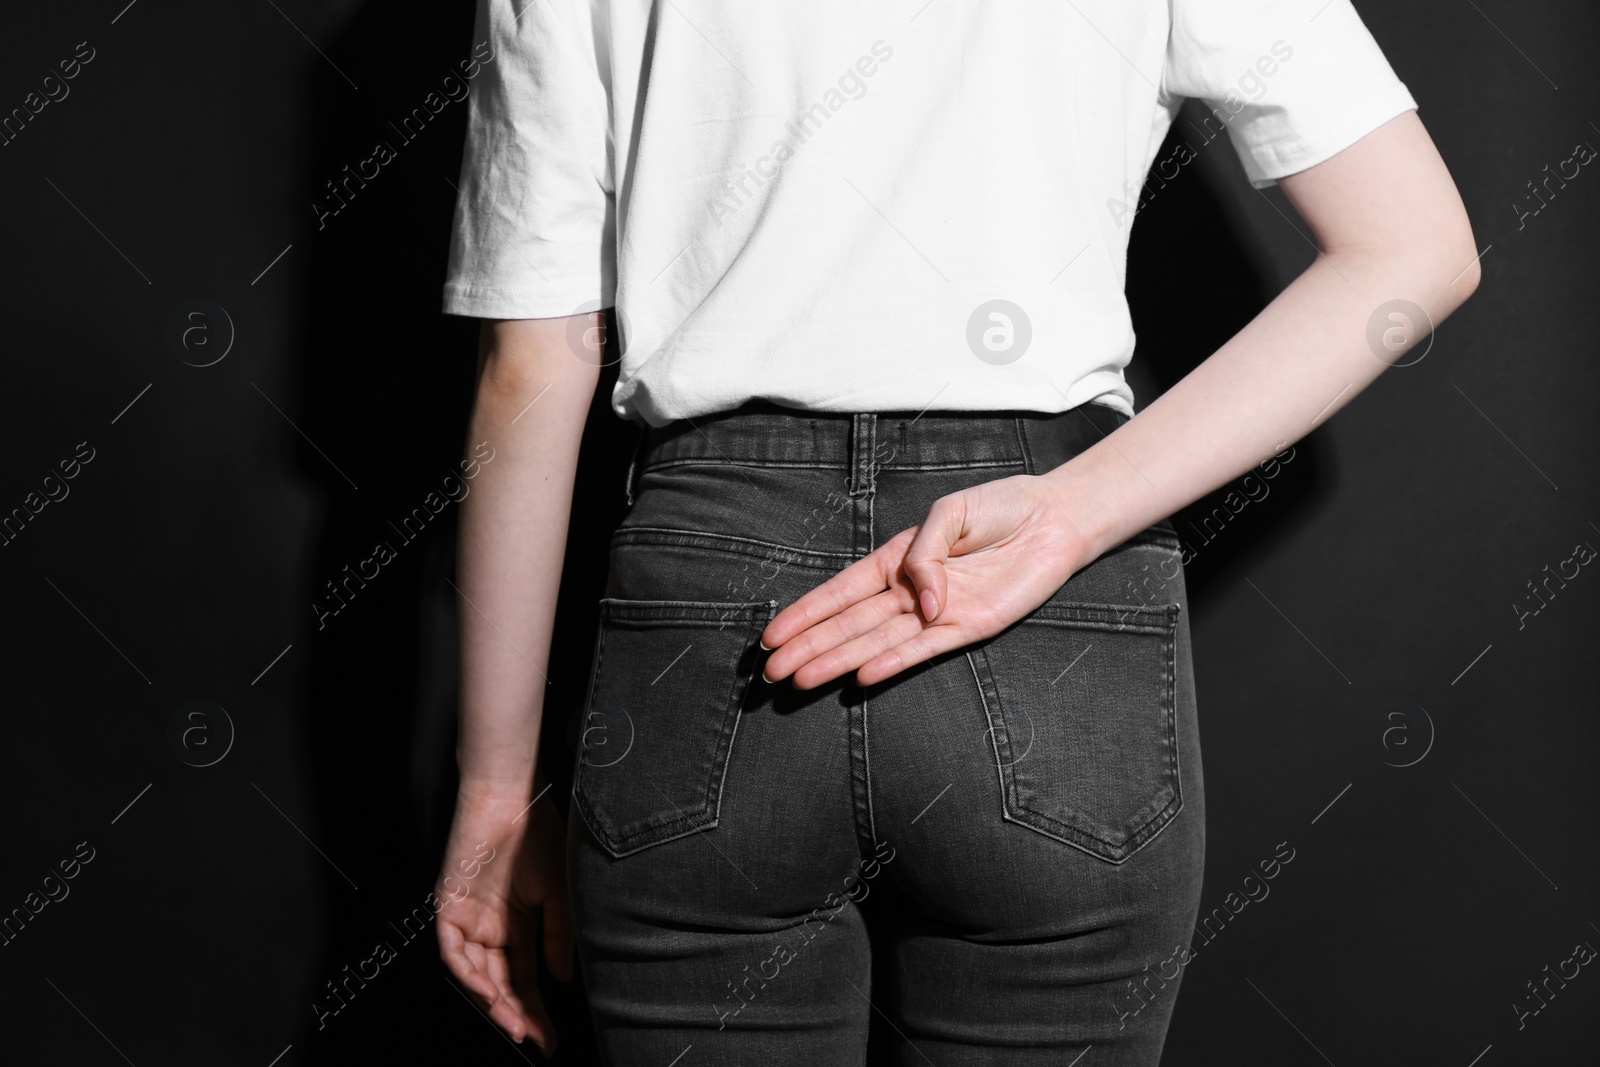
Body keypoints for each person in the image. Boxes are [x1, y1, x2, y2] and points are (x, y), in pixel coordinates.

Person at [432, 1, 1479, 1063]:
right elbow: (1414, 247)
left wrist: (492, 793)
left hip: (711, 617)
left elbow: (531, 368)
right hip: (1049, 626)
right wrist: (1069, 514)